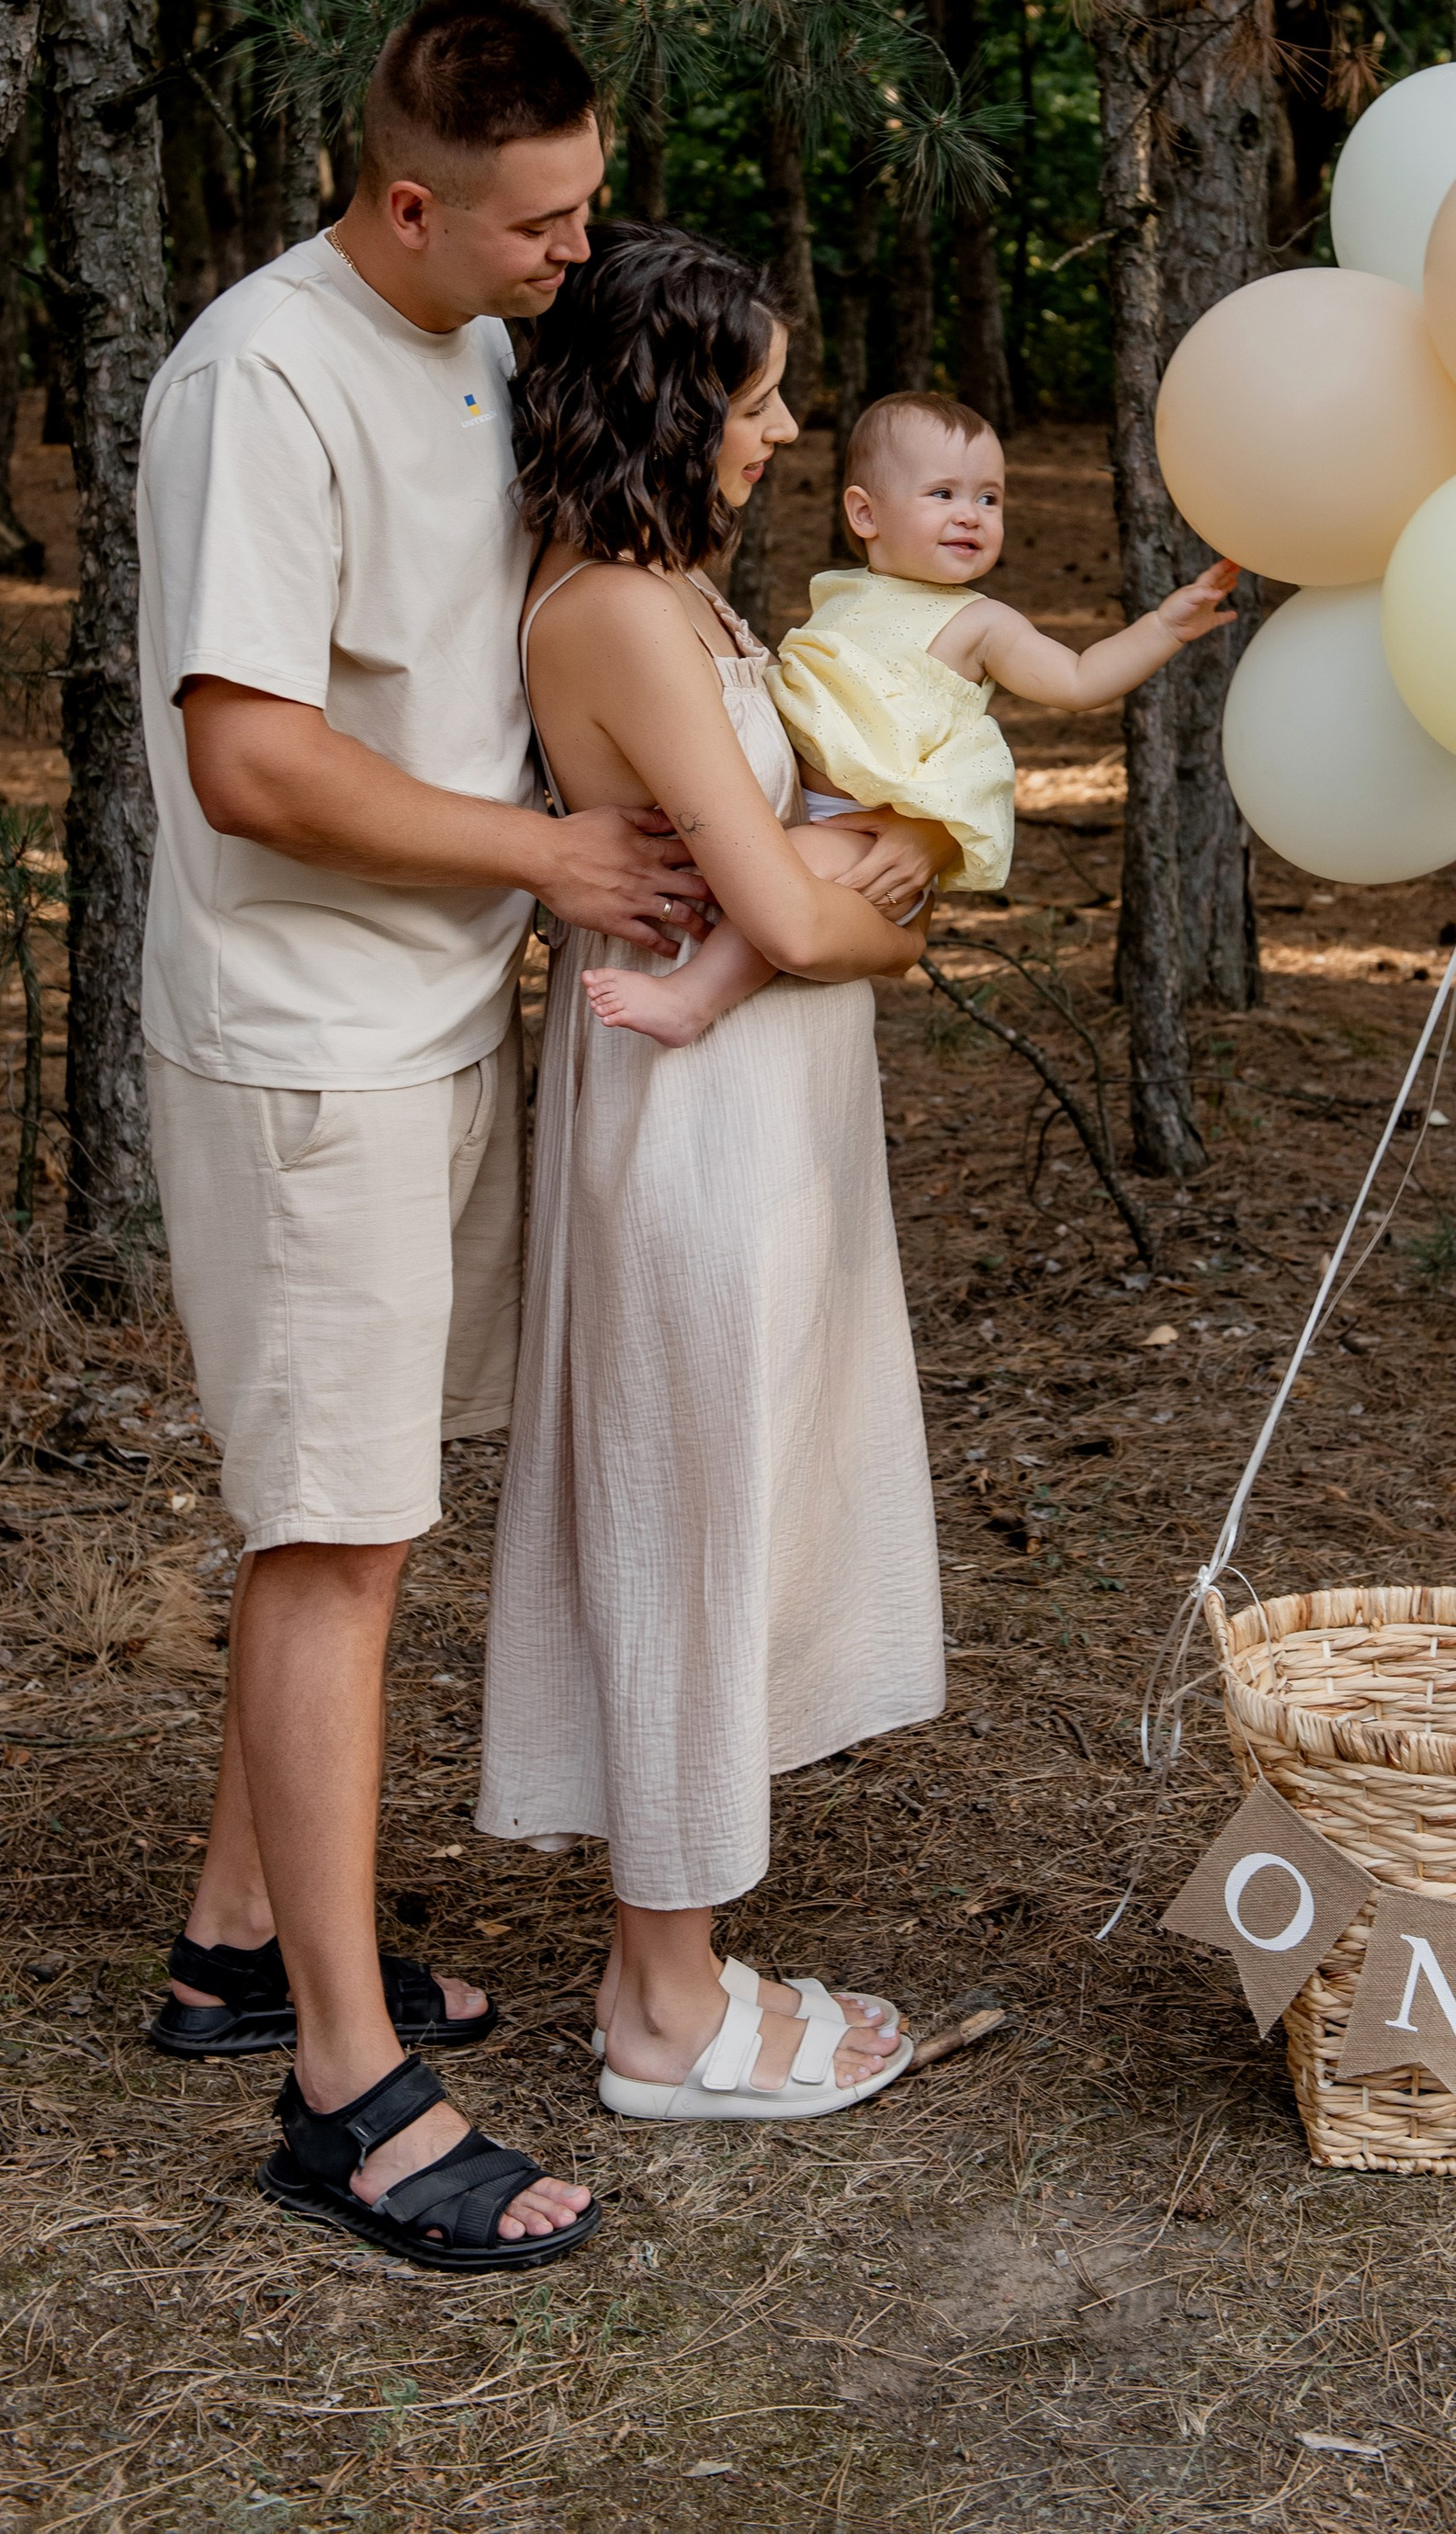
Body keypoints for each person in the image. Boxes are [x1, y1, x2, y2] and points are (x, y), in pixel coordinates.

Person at [135, 0, 716, 2274]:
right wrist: (547, 855)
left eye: (583, 206)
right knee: (333, 1538)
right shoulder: (258, 380)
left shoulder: (473, 336)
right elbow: (251, 758)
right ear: (404, 201)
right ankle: (347, 2092)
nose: (575, 249)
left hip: (429, 1017)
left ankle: (235, 1938)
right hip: (308, 1050)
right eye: (540, 219)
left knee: (364, 1504)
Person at [476, 225, 949, 2122]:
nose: (783, 431)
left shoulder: (682, 593)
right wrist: (883, 900)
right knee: (683, 1519)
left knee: (734, 1506)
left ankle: (664, 1959)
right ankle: (662, 2016)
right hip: (691, 1126)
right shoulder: (609, 609)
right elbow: (795, 914)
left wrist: (857, 863)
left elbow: (796, 860)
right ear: (671, 405)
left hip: (772, 1114)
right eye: (757, 399)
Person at [581, 388, 1236, 1047]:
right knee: (759, 864)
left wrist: (1163, 629)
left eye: (989, 498)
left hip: (867, 836)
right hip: (802, 811)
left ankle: (691, 1000)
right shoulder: (846, 593)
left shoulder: (981, 622)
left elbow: (1079, 679)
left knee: (785, 871)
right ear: (865, 513)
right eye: (943, 494)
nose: (970, 514)